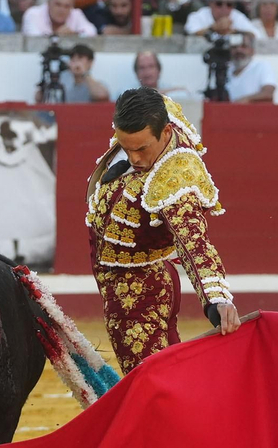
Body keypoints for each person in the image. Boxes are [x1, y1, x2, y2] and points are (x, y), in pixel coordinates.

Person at [85, 89, 238, 371]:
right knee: (166, 375)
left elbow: (194, 242)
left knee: (149, 381)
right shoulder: (156, 111)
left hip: (139, 289)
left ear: (166, 133)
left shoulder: (176, 176)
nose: (133, 158)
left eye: (142, 148)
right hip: (140, 278)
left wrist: (216, 299)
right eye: (125, 147)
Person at [36, 42, 111, 102]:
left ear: (90, 62)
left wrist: (84, 73)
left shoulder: (96, 85)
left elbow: (102, 96)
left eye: (80, 58)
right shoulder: (63, 84)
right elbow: (39, 99)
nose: (75, 61)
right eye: (72, 58)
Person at [21, 0, 97, 35]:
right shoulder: (33, 13)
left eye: (66, 6)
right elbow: (33, 39)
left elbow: (92, 31)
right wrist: (56, 36)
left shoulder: (76, 13)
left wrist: (75, 35)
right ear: (48, 3)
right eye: (58, 4)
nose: (62, 10)